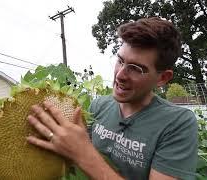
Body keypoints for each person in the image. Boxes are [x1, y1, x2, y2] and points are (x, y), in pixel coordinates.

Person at [26, 17, 198, 180]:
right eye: (120, 61)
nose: (120, 75)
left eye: (136, 68)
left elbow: (82, 153)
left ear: (162, 78)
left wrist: (83, 154)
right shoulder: (99, 105)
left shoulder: (177, 123)